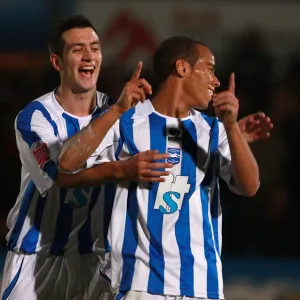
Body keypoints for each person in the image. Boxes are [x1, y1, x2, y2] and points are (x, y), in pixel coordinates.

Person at [59, 36, 261, 300]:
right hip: (141, 283)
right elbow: (66, 163)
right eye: (210, 69)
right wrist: (120, 163)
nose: (216, 81)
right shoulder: (128, 120)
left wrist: (232, 127)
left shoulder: (213, 130)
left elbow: (250, 187)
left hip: (202, 285)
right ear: (182, 67)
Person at [0, 15, 172, 300]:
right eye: (78, 49)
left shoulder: (123, 112)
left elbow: (167, 143)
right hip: (35, 259)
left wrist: (223, 137)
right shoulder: (35, 118)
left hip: (93, 262)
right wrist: (121, 162)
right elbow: (60, 174)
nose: (89, 55)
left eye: (94, 47)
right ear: (57, 62)